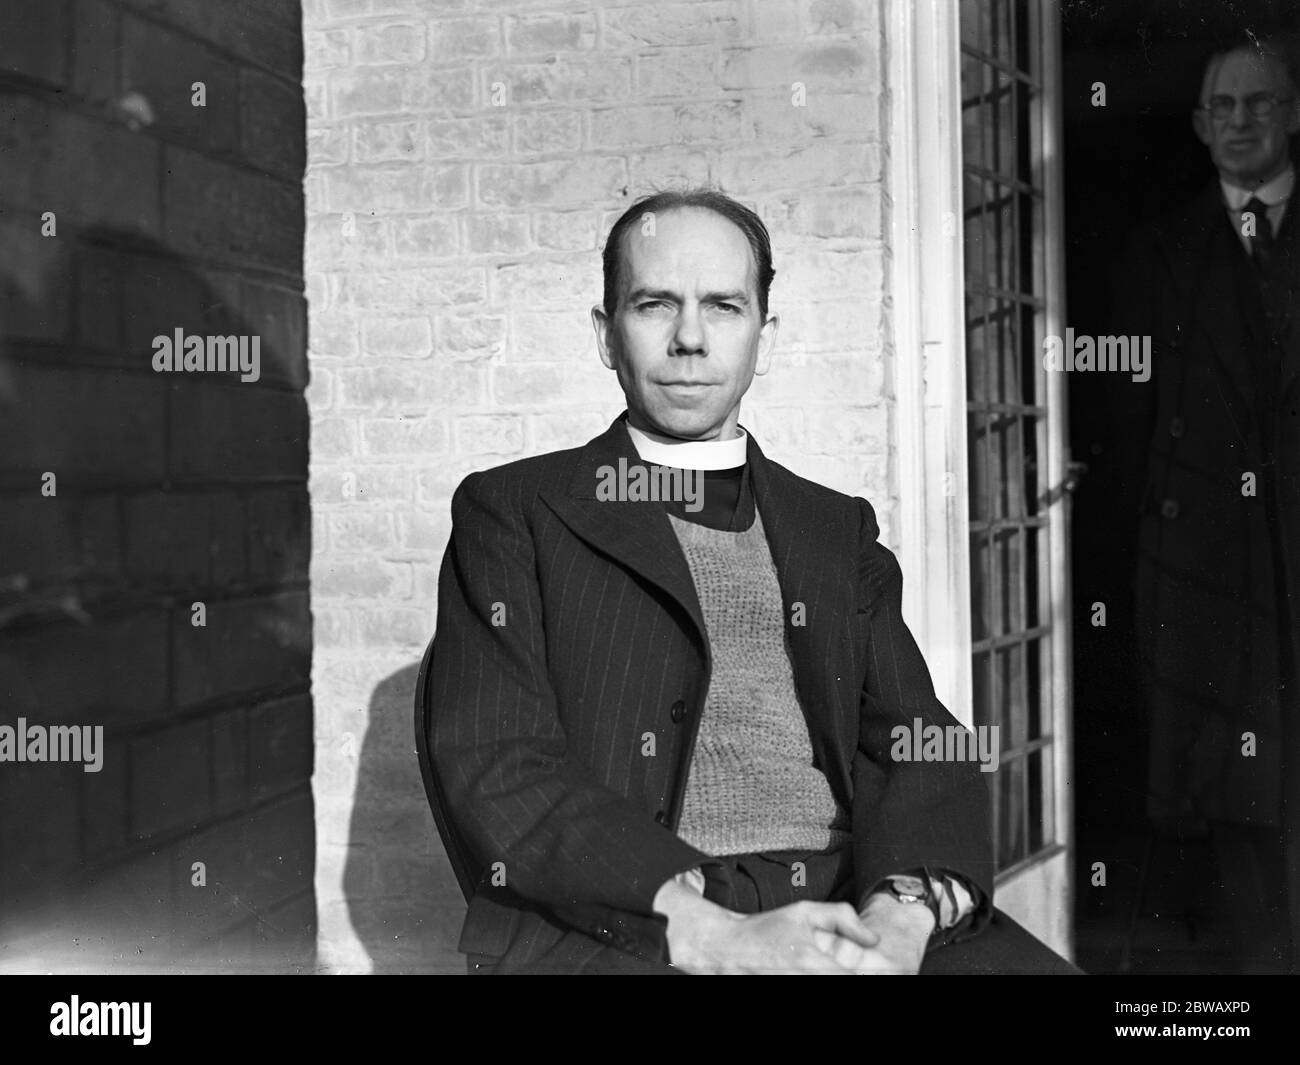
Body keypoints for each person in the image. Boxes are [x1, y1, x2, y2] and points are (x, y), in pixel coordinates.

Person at [425, 188, 1076, 974]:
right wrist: (711, 933)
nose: (690, 339)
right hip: (631, 921)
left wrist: (900, 919)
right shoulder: (516, 513)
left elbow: (919, 739)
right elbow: (499, 763)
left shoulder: (834, 529)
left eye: (724, 307)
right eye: (655, 304)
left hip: (842, 900)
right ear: (606, 334)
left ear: (764, 337)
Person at [1112, 35, 1300, 972]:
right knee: (1232, 778)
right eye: (1221, 108)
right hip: (1210, 553)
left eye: (1258, 104)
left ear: (1292, 113)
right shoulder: (1163, 248)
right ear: (1197, 125)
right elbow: (1131, 414)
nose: (1238, 123)